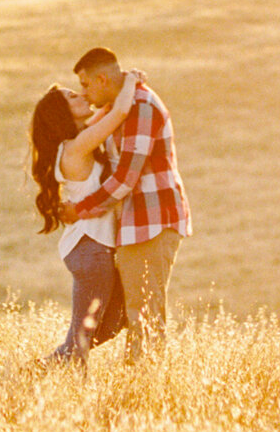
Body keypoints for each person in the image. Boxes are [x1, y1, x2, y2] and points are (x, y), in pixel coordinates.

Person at [60, 46, 191, 362]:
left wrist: (80, 209)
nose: (85, 94)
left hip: (152, 221)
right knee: (138, 310)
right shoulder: (122, 104)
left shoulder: (142, 106)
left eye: (87, 85)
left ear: (103, 79)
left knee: (144, 313)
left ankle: (144, 389)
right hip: (137, 223)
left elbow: (125, 178)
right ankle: (68, 361)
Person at [28, 69, 138, 364]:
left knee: (118, 319)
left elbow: (105, 113)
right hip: (90, 250)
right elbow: (119, 112)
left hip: (92, 249)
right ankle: (48, 374)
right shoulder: (75, 149)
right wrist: (130, 81)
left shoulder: (78, 144)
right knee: (81, 340)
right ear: (62, 114)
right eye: (73, 96)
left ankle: (49, 365)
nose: (82, 95)